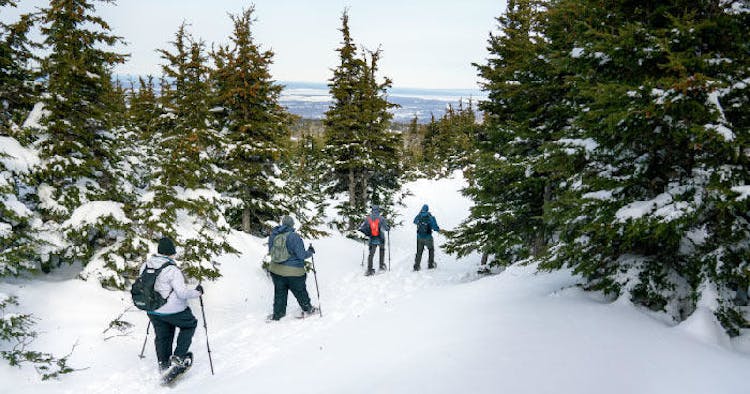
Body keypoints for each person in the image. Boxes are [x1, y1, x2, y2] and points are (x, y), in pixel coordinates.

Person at [140, 237, 203, 372]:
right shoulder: (172, 270)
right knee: (189, 324)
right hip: (173, 310)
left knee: (163, 335)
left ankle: (163, 365)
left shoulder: (145, 265)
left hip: (153, 310)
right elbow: (182, 293)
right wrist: (197, 293)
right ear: (170, 252)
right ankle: (178, 357)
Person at [267, 215, 317, 320]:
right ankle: (308, 309)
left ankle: (278, 315)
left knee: (280, 293)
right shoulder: (294, 237)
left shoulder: (274, 235)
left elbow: (271, 251)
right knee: (300, 291)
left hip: (276, 270)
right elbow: (301, 255)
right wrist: (310, 252)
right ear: (292, 225)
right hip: (293, 272)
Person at [358, 205, 390, 276]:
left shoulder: (368, 219)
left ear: (372, 210)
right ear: (378, 210)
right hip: (381, 238)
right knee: (382, 251)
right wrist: (388, 227)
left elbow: (362, 228)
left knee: (371, 254)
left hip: (372, 238)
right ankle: (381, 266)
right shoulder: (381, 218)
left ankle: (370, 270)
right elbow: (386, 228)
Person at [413, 204, 440, 271]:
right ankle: (430, 264)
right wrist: (438, 229)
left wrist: (419, 214)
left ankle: (416, 266)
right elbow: (435, 227)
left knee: (419, 252)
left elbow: (414, 222)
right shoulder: (430, 217)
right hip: (428, 237)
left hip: (419, 237)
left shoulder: (419, 216)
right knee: (431, 249)